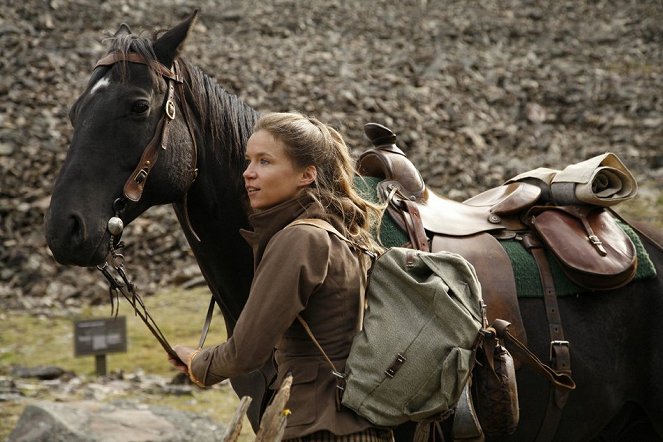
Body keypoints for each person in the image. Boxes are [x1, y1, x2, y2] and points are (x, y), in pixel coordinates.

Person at [169, 112, 392, 441]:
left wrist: (198, 363)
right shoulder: (338, 232)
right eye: (248, 160)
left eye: (265, 162)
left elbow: (246, 353)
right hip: (354, 424)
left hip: (318, 428)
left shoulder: (299, 239)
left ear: (306, 175)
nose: (248, 173)